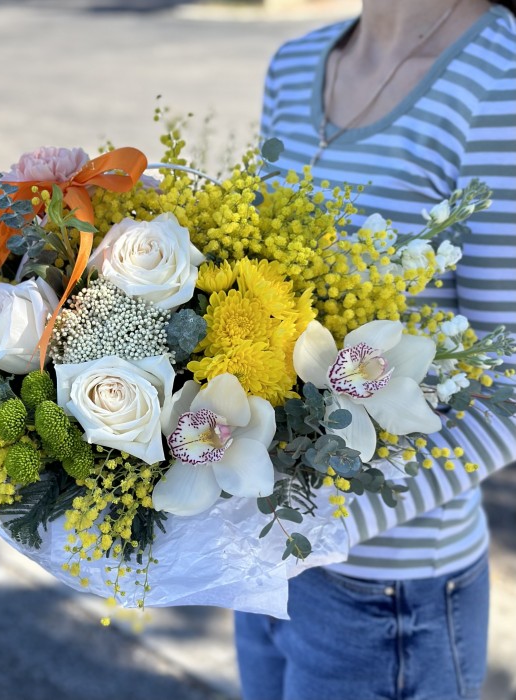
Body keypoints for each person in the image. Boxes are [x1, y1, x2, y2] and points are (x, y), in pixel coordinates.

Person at [234, 1, 516, 698]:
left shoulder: (498, 83)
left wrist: (322, 526)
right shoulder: (295, 63)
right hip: (262, 566)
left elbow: (507, 393)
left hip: (387, 599)